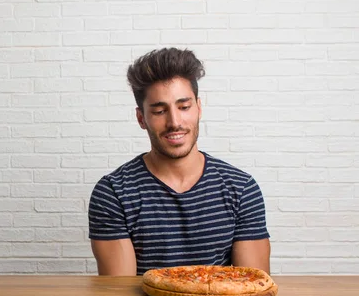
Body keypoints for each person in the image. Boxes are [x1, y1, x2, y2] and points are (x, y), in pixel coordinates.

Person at [88, 47, 271, 276]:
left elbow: (251, 288)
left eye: (184, 107)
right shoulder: (113, 193)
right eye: (159, 111)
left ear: (199, 108)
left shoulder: (241, 188)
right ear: (141, 118)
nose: (175, 122)